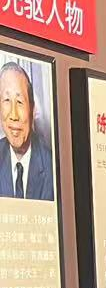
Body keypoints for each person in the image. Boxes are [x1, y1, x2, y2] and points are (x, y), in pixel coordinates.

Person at [1, 61, 52, 201]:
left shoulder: (51, 166)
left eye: (19, 102)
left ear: (33, 110)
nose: (14, 115)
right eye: (6, 100)